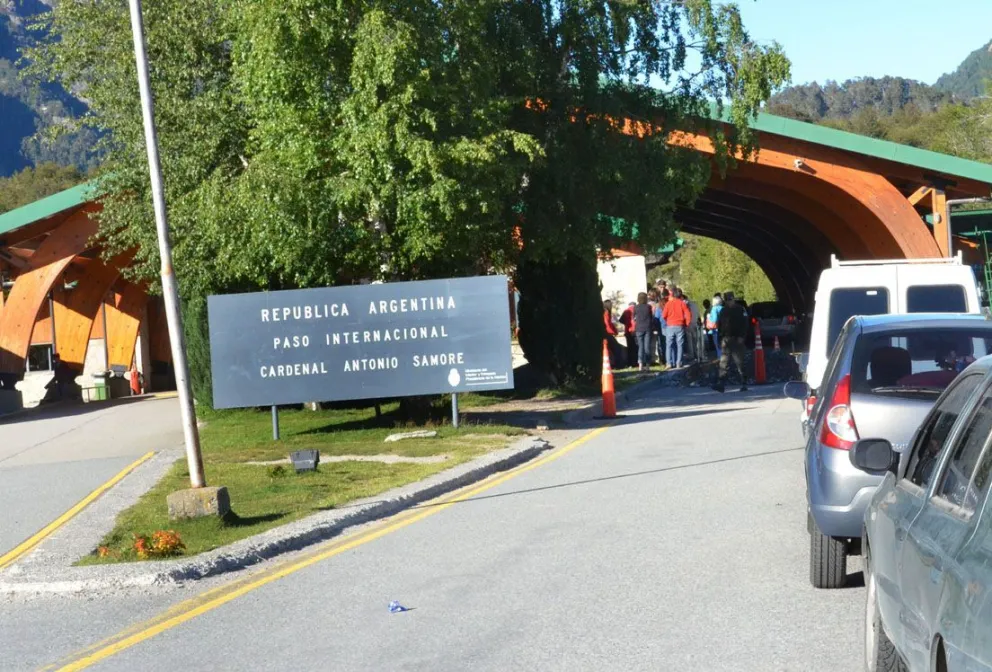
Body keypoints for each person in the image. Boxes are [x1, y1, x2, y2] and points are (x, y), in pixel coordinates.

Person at [713, 292, 748, 393]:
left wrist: (742, 336)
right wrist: (720, 338)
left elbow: (745, 324)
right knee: (723, 362)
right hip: (726, 339)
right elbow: (720, 325)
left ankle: (744, 383)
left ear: (733, 299)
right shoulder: (723, 311)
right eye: (727, 300)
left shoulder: (741, 309)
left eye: (730, 300)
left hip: (737, 339)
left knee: (739, 362)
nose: (729, 302)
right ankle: (721, 384)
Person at [662, 288, 692, 368]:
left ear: (673, 295)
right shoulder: (682, 303)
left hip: (670, 325)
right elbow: (688, 315)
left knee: (669, 345)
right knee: (680, 345)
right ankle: (679, 362)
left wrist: (668, 321)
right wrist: (687, 324)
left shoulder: (668, 303)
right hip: (680, 325)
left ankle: (669, 363)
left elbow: (664, 315)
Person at [633, 292, 654, 371]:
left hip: (639, 328)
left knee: (640, 347)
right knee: (647, 347)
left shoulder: (635, 307)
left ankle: (640, 365)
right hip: (647, 328)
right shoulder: (648, 307)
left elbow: (633, 317)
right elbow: (651, 317)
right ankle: (647, 365)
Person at [602, 300, 624, 369]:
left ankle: (616, 364)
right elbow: (607, 324)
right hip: (607, 333)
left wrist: (614, 331)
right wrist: (613, 332)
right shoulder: (606, 312)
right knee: (617, 348)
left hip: (606, 333)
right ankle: (618, 365)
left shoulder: (605, 312)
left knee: (614, 349)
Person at [619, 301, 637, 369]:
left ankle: (630, 363)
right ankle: (636, 362)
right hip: (636, 330)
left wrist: (627, 323)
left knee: (629, 347)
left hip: (628, 331)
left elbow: (621, 320)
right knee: (636, 347)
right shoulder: (636, 309)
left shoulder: (626, 311)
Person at [707, 294, 724, 359]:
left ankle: (720, 357)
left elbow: (714, 319)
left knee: (717, 344)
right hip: (723, 328)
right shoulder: (723, 308)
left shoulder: (714, 308)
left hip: (716, 328)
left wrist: (709, 317)